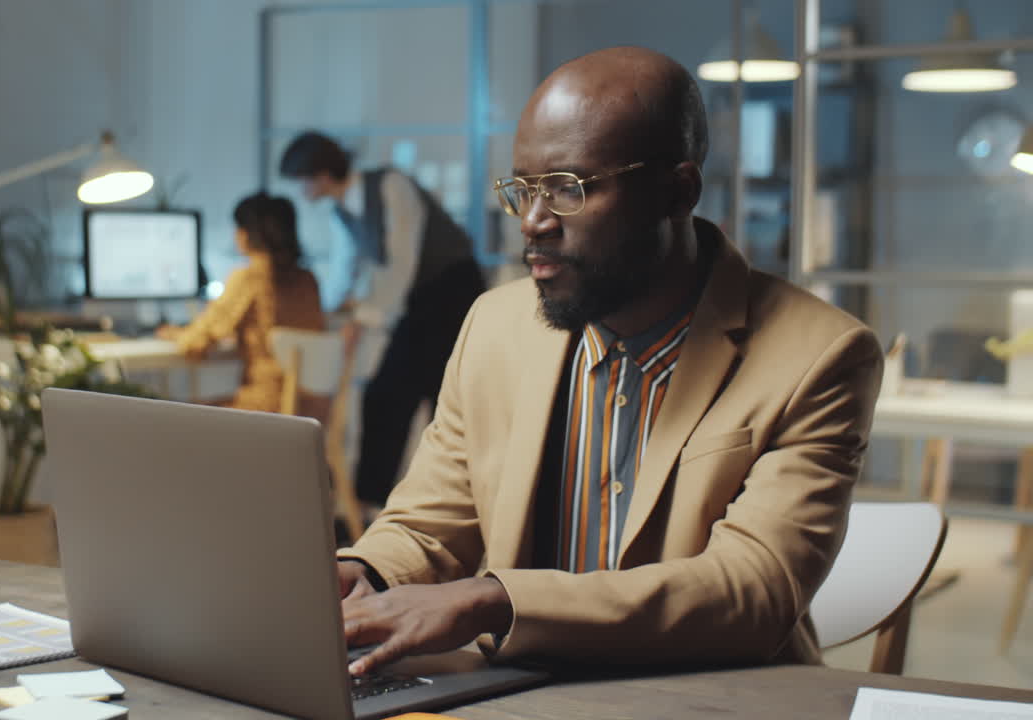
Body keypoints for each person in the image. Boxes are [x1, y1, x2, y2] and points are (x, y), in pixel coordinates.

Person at [333, 46, 884, 677]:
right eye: (523, 190)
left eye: (567, 189)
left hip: (707, 698)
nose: (533, 223)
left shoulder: (819, 355)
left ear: (677, 192)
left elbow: (752, 589)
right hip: (515, 695)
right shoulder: (495, 325)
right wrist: (364, 572)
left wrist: (496, 600)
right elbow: (432, 520)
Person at [279, 132, 487, 511]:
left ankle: (417, 504)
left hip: (451, 291)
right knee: (392, 398)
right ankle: (370, 505)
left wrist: (365, 316)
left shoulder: (390, 184)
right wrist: (329, 311)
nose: (300, 189)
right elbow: (350, 269)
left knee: (430, 398)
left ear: (322, 174)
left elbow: (402, 261)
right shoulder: (342, 210)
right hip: (418, 303)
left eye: (301, 179)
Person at [157, 192, 324, 413]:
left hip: (268, 407)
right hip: (312, 407)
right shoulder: (308, 280)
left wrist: (173, 333)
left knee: (177, 413)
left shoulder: (249, 278)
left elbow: (196, 343)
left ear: (247, 234)